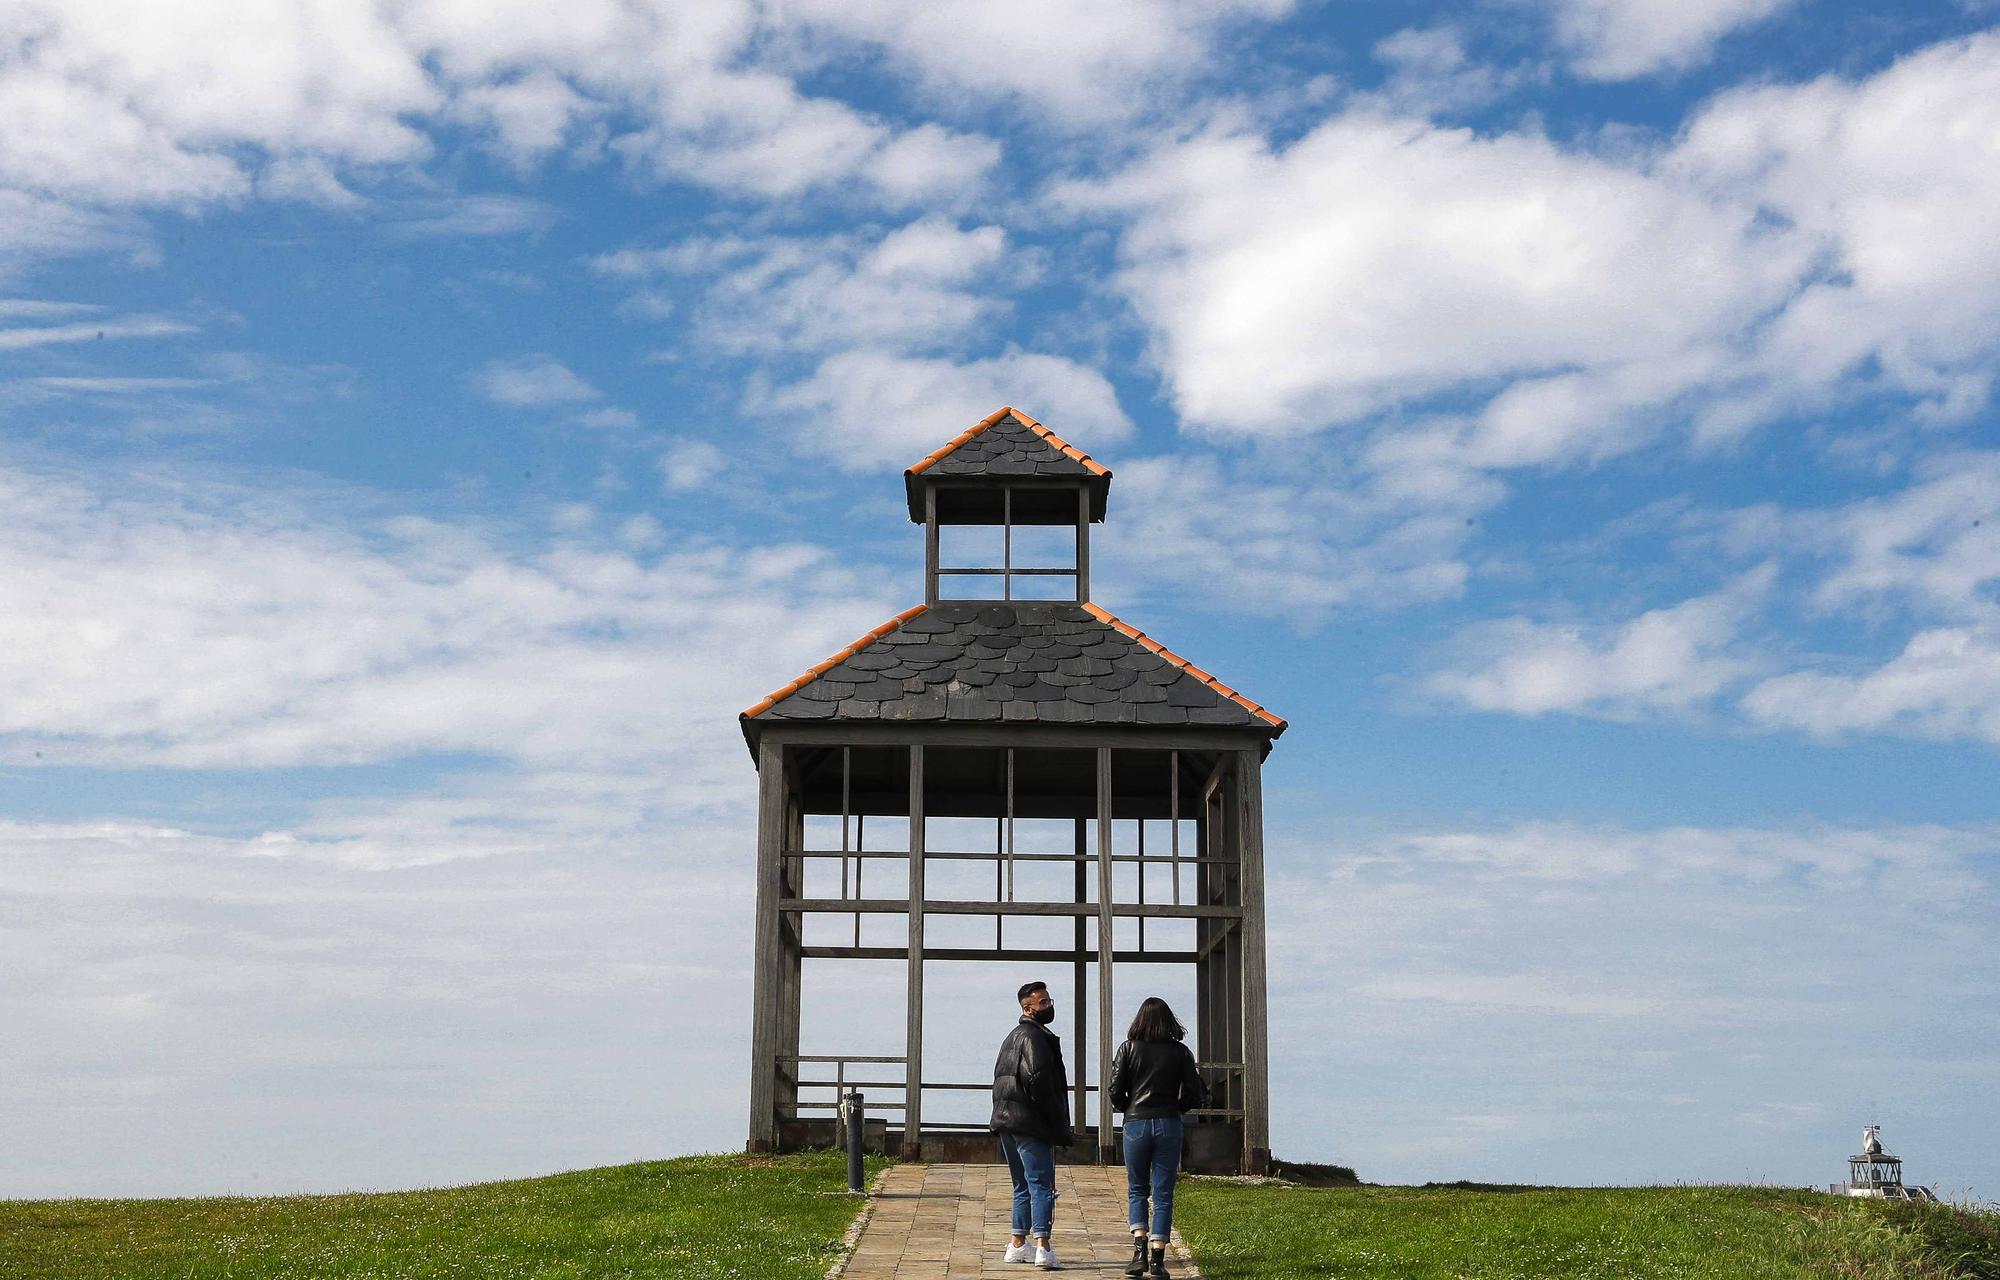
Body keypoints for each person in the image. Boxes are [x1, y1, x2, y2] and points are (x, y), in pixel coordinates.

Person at [1107, 996, 1206, 1279]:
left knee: (1137, 1188)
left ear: (1139, 1020)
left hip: (1136, 1123)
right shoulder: (1181, 1052)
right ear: (1169, 1022)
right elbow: (1194, 1093)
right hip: (1168, 1122)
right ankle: (1158, 1258)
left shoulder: (1127, 1048)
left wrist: (1129, 1107)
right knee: (1163, 1193)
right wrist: (1178, 1108)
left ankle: (1138, 1250)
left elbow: (1114, 1090)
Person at [990, 980, 1072, 1270]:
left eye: (1049, 1000)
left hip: (1007, 1122)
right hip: (1031, 1123)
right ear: (1028, 1008)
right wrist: (1052, 1117)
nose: (1049, 1006)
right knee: (1042, 1185)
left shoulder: (1011, 1037)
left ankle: (1016, 1244)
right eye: (1044, 1003)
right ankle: (1043, 1247)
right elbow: (1038, 1079)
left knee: (1021, 1185)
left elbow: (1000, 1081)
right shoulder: (1036, 1038)